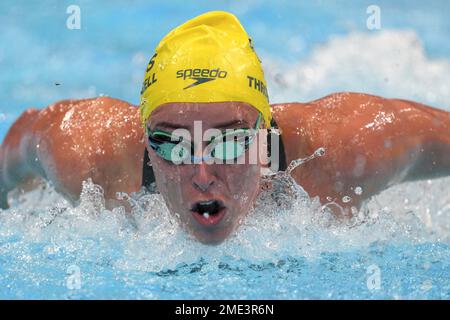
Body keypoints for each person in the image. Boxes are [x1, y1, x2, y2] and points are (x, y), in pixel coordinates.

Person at [0, 11, 449, 244]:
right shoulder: (87, 152)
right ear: (144, 138)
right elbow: (21, 139)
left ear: (265, 128)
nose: (202, 173)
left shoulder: (349, 148)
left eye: (231, 140)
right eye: (173, 143)